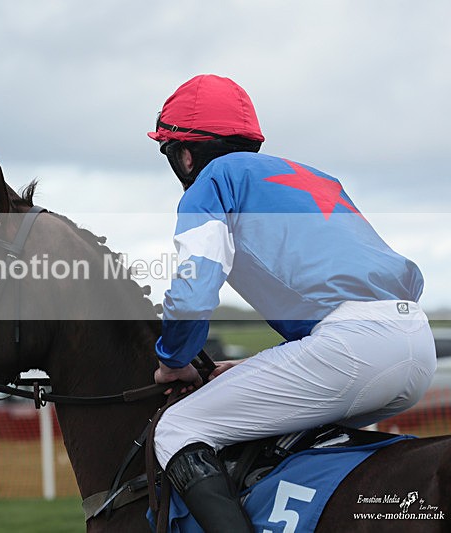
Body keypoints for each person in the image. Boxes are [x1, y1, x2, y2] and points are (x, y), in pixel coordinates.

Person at [147, 74, 436, 532]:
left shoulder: (210, 182)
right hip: (416, 346)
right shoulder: (317, 178)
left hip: (353, 350)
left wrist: (173, 359)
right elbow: (339, 300)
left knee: (177, 429)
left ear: (185, 153)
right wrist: (251, 369)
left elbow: (194, 290)